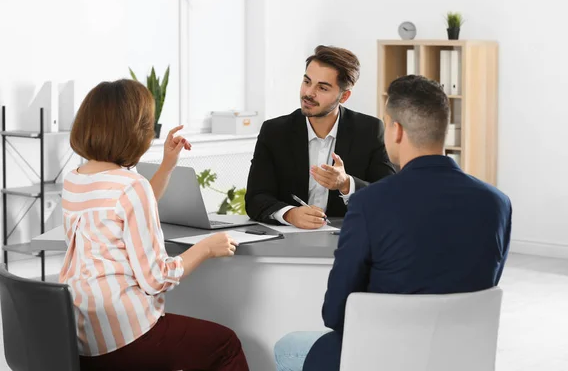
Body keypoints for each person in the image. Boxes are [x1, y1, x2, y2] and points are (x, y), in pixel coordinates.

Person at [274, 75, 512, 370]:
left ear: (396, 131)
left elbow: (335, 313)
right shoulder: (497, 203)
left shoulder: (370, 203)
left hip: (381, 355)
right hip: (458, 356)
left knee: (288, 347)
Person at [60, 79, 249, 371]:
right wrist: (205, 248)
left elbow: (123, 205)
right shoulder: (132, 187)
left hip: (82, 336)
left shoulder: (74, 180)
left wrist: (167, 166)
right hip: (126, 336)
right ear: (133, 131)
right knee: (226, 345)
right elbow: (156, 278)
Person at [245, 45, 396, 229]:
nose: (309, 93)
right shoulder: (275, 131)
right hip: (289, 239)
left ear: (344, 96)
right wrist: (290, 214)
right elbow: (255, 198)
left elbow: (389, 195)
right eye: (307, 82)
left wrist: (346, 184)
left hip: (347, 239)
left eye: (322, 88)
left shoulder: (369, 130)